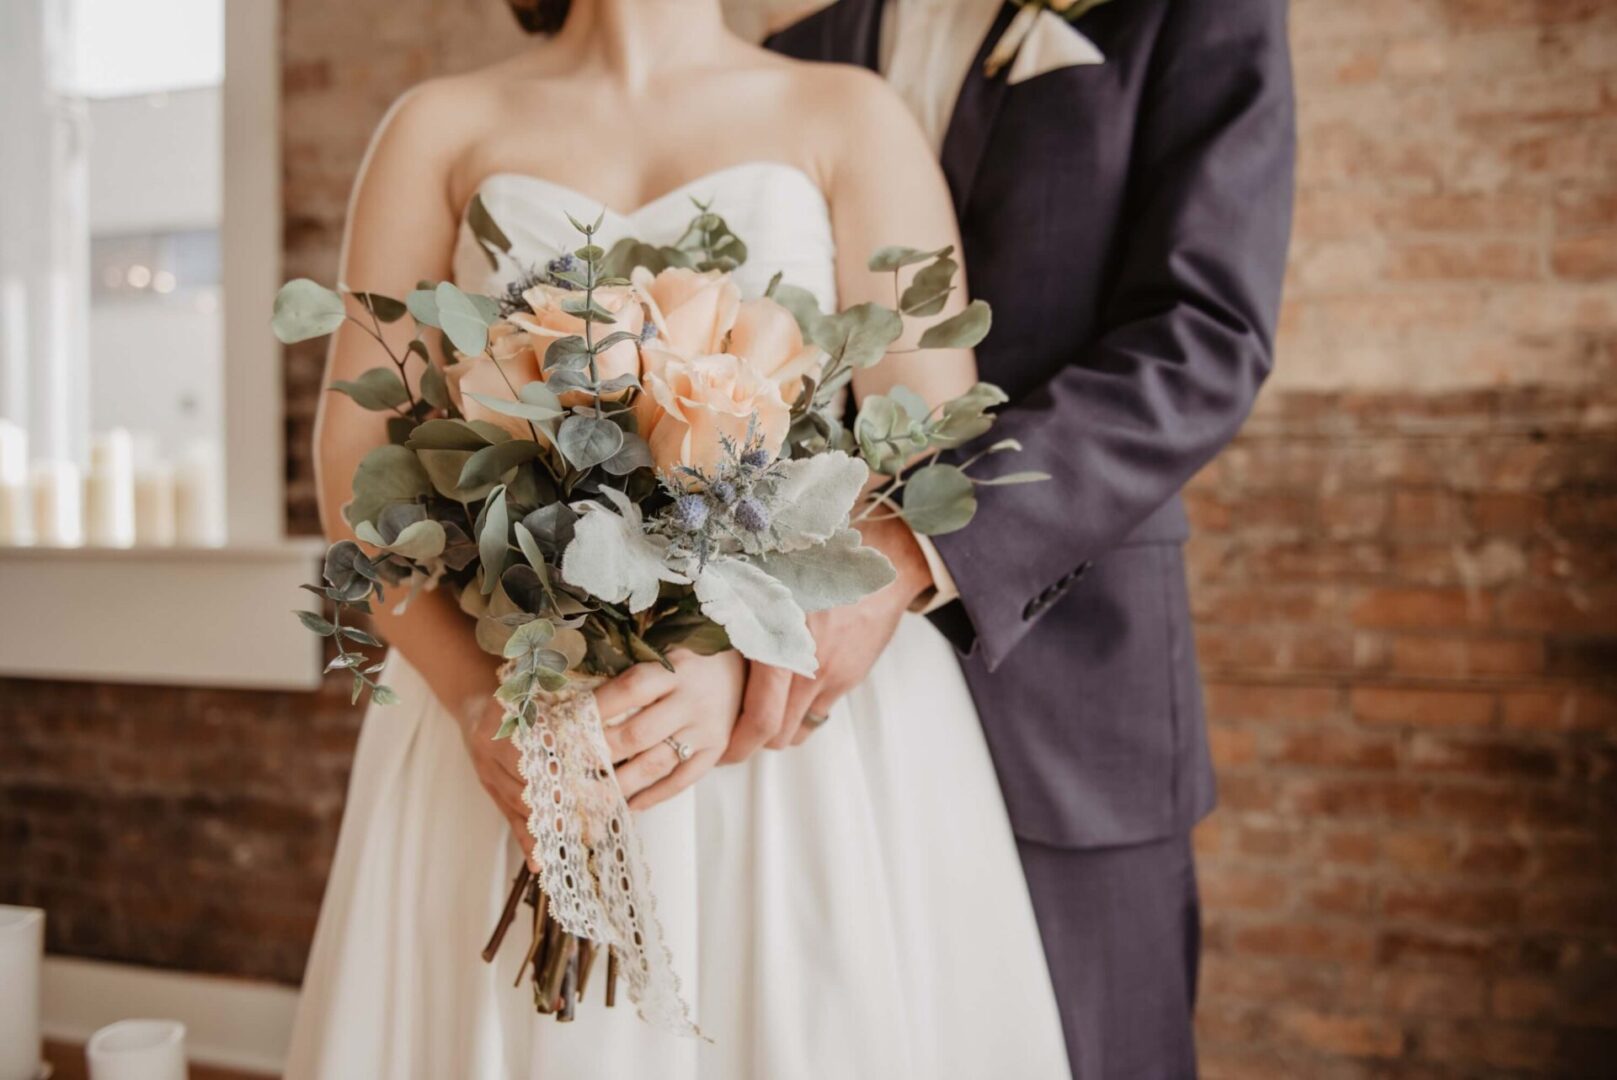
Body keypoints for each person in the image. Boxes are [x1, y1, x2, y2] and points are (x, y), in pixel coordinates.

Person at [284, 0, 1069, 1076]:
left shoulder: (848, 114)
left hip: (789, 739)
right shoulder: (438, 125)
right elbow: (353, 465)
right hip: (520, 708)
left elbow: (927, 456)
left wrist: (736, 652)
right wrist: (479, 699)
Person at [756, 0, 1297, 1075]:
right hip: (809, 730)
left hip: (1071, 686)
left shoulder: (1197, 13)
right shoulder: (796, 50)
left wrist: (915, 546)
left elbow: (1204, 337)